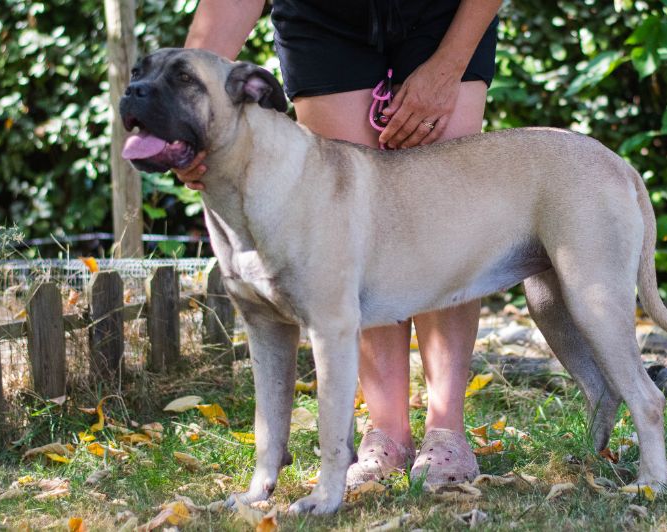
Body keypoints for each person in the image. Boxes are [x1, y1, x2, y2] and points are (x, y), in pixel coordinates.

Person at [178, 0, 502, 487]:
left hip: (443, 9)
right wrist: (184, 120)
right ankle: (388, 432)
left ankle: (447, 430)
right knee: (346, 228)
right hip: (323, 16)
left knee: (441, 218)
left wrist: (447, 68)